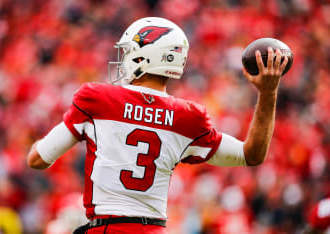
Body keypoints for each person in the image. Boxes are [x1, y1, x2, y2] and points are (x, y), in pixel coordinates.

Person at [27, 17, 288, 234]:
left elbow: (38, 159)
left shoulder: (97, 98)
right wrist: (268, 93)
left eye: (129, 51)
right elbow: (251, 155)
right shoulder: (189, 117)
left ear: (144, 56)